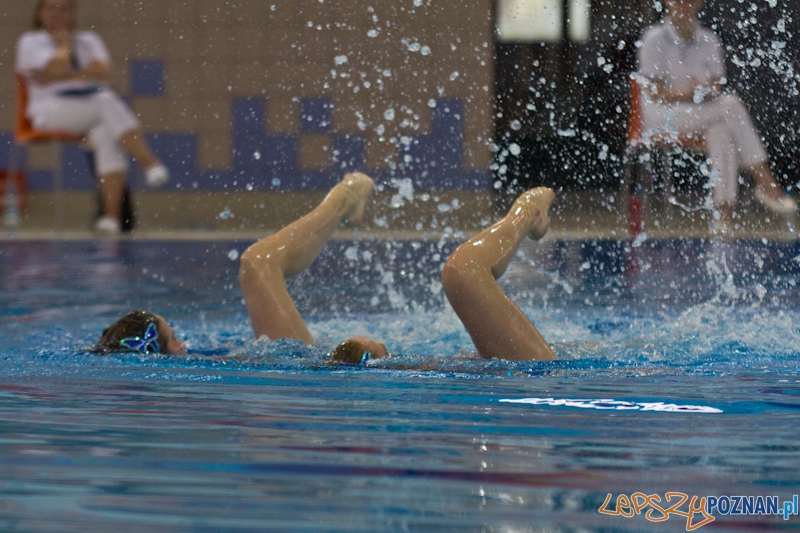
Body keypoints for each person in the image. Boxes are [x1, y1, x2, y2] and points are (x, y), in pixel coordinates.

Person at [94, 173, 559, 362]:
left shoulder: (203, 368)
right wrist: (360, 353)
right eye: (175, 339)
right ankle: (529, 207)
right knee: (461, 273)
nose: (186, 343)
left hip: (490, 367)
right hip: (525, 373)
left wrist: (358, 354)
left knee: (257, 262)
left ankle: (344, 199)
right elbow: (365, 351)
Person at [15, 0, 170, 235]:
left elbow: (102, 71)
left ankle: (110, 219)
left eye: (64, 8)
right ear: (39, 13)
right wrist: (64, 45)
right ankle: (150, 163)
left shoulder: (89, 40)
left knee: (106, 132)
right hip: (50, 111)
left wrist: (61, 77)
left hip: (88, 107)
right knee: (106, 101)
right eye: (52, 8)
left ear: (72, 14)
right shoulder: (30, 42)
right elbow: (58, 66)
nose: (58, 13)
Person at [637, 0, 796, 229]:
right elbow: (654, 91)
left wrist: (698, 91)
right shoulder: (653, 38)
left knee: (721, 130)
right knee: (730, 105)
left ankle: (723, 216)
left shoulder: (710, 40)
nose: (683, 4)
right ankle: (765, 181)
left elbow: (715, 86)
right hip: (660, 116)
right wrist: (688, 91)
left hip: (701, 113)